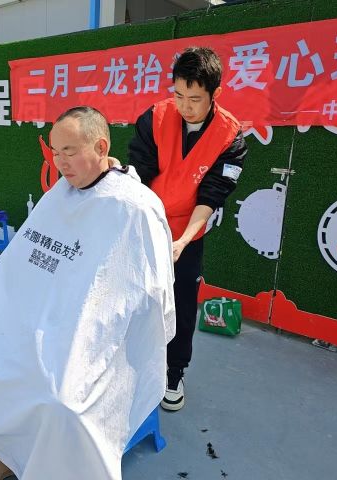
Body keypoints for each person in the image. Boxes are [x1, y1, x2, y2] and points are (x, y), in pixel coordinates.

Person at [0, 106, 175, 480]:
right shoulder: (61, 193)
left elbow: (148, 292)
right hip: (38, 314)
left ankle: (11, 458)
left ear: (101, 146)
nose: (61, 163)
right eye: (56, 152)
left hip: (95, 330)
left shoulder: (134, 207)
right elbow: (20, 266)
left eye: (71, 152)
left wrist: (85, 321)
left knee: (57, 399)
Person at [128, 46, 248, 411]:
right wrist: (145, 225)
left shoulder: (231, 137)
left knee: (180, 303)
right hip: (146, 220)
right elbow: (139, 175)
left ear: (216, 94)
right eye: (179, 95)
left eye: (195, 99)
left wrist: (181, 240)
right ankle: (128, 367)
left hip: (188, 231)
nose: (185, 106)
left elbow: (211, 197)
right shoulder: (154, 117)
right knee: (134, 296)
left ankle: (173, 373)